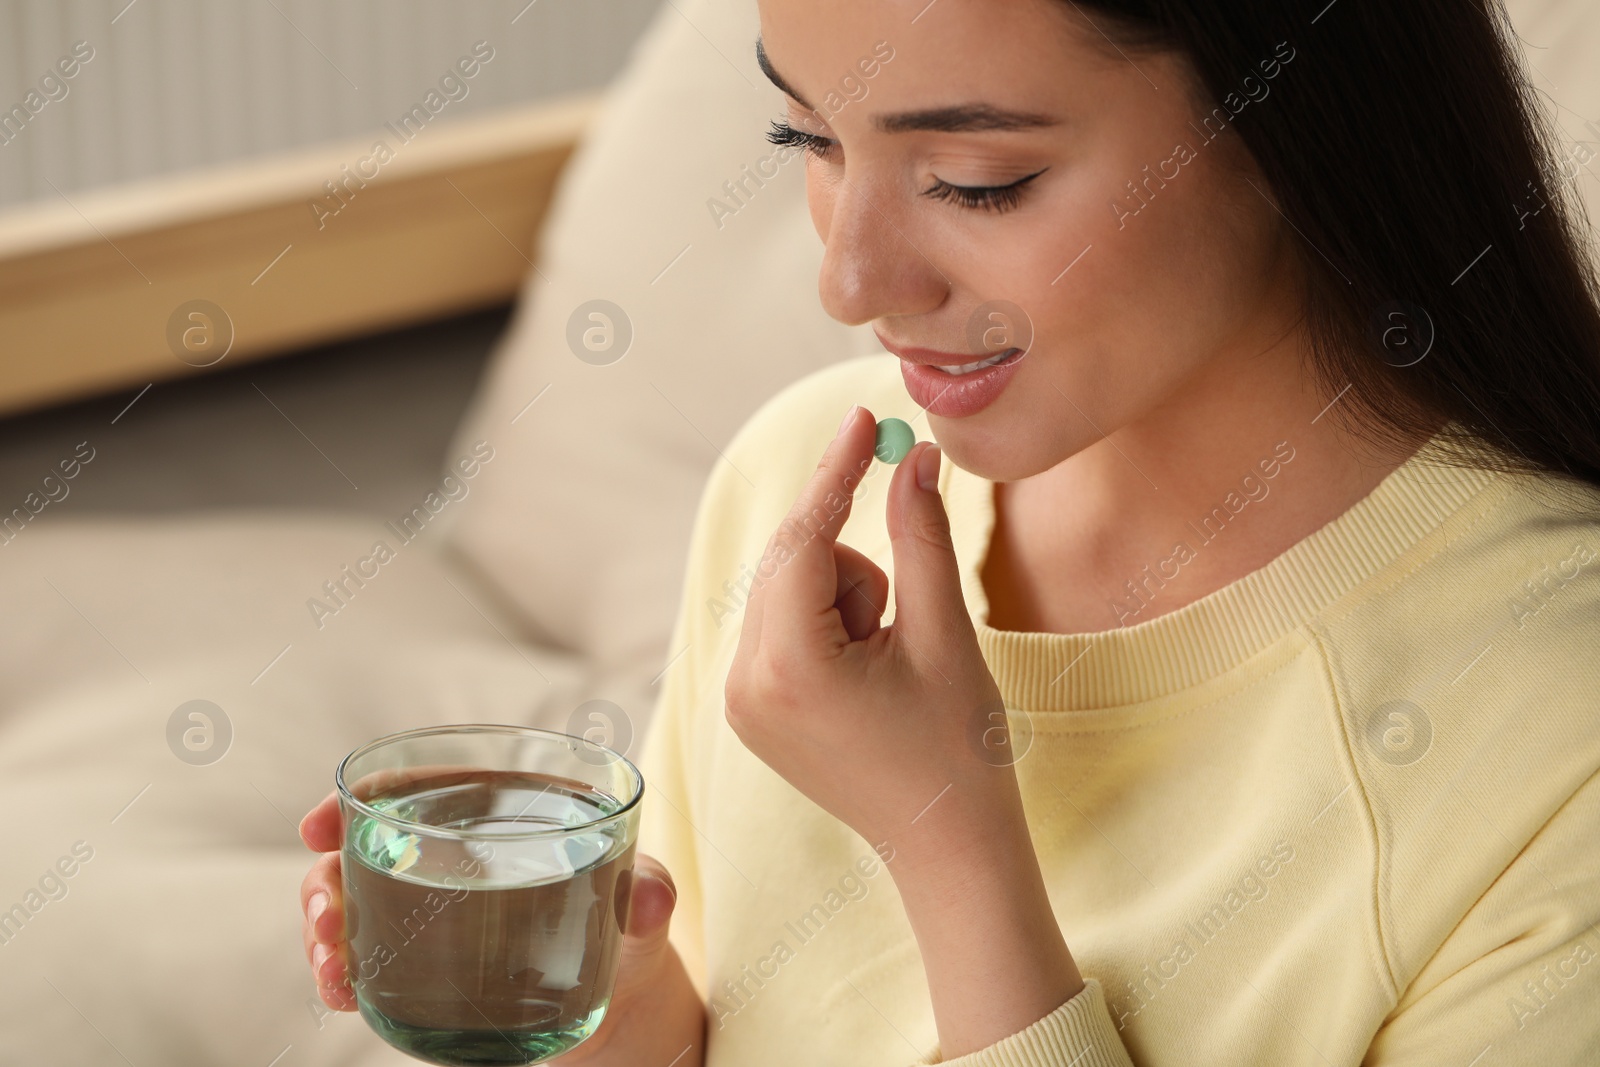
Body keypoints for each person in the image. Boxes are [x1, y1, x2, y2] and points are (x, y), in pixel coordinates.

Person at [299, 1, 1600, 1063]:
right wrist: (622, 1022)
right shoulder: (799, 489)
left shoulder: (1554, 734)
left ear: (1300, 128)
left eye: (979, 184)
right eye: (804, 137)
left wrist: (949, 841)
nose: (850, 281)